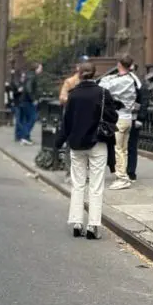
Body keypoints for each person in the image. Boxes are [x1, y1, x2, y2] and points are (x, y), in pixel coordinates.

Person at [55, 62, 119, 239]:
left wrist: (59, 142)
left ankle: (77, 222)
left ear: (80, 74)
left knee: (78, 184)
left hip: (77, 144)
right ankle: (92, 226)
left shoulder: (73, 95)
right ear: (94, 74)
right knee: (96, 185)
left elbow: (66, 122)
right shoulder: (103, 93)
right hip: (97, 142)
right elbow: (113, 116)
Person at [99, 54, 137, 190]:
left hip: (119, 119)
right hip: (128, 118)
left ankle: (122, 178)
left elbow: (103, 87)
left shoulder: (120, 81)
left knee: (118, 149)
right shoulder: (131, 79)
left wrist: (106, 78)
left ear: (119, 65)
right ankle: (124, 174)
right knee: (124, 150)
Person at [127, 63, 149, 182]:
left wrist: (140, 118)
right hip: (123, 117)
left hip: (134, 118)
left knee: (131, 146)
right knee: (121, 147)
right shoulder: (121, 82)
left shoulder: (140, 83)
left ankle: (130, 172)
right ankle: (122, 170)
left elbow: (144, 102)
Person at [15, 63, 41, 144]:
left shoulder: (29, 75)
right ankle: (25, 136)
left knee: (26, 119)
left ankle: (23, 136)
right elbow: (29, 88)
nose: (41, 70)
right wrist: (33, 99)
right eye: (40, 68)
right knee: (33, 117)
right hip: (28, 101)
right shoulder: (32, 76)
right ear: (36, 68)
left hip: (23, 100)